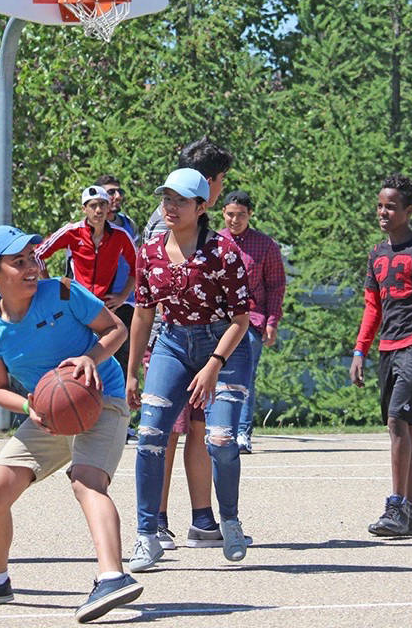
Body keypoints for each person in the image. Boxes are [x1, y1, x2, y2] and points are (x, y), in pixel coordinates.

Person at [0, 226, 142, 623]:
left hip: (102, 397)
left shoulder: (64, 292)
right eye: (18, 262)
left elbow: (115, 329)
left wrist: (90, 357)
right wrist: (29, 405)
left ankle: (112, 576)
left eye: (33, 257)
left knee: (86, 480)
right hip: (50, 410)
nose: (31, 267)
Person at [126, 168, 252, 571]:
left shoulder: (223, 252)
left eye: (180, 201)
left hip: (223, 345)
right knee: (148, 435)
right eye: (167, 199)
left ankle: (228, 519)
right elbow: (144, 315)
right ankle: (147, 535)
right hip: (173, 342)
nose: (171, 207)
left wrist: (214, 365)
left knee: (219, 439)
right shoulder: (148, 251)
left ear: (201, 207)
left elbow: (241, 319)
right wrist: (132, 371)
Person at [138, 138, 236, 552]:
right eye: (220, 182)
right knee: (164, 433)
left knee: (200, 430)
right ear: (207, 183)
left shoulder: (210, 234)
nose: (221, 190)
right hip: (171, 340)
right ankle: (156, 522)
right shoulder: (168, 224)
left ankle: (203, 518)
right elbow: (148, 301)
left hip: (207, 342)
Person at [351, 174, 412, 537]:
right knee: (401, 426)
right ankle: (411, 513)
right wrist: (361, 349)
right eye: (380, 205)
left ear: (408, 210)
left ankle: (396, 506)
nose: (383, 212)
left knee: (397, 421)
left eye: (391, 206)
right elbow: (372, 307)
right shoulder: (377, 254)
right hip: (388, 348)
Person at [219, 190, 286, 454]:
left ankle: (242, 432)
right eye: (230, 214)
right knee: (215, 375)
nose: (235, 220)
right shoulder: (213, 242)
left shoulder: (265, 245)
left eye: (241, 215)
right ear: (223, 213)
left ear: (250, 215)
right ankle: (220, 429)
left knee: (244, 376)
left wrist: (272, 322)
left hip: (251, 320)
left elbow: (276, 285)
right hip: (217, 321)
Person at [34, 184, 137, 307]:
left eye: (102, 204)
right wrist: (48, 284)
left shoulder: (120, 235)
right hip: (71, 300)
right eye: (93, 205)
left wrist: (123, 296)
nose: (98, 210)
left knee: (119, 327)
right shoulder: (71, 231)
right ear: (84, 209)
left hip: (102, 304)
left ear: (108, 207)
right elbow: (36, 254)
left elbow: (138, 266)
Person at [95, 174, 139, 371]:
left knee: (124, 362)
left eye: (119, 191)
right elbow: (69, 271)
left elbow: (138, 265)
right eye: (111, 192)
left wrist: (123, 296)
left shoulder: (128, 224)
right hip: (96, 307)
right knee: (97, 359)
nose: (117, 196)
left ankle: (120, 401)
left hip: (126, 304)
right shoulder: (85, 230)